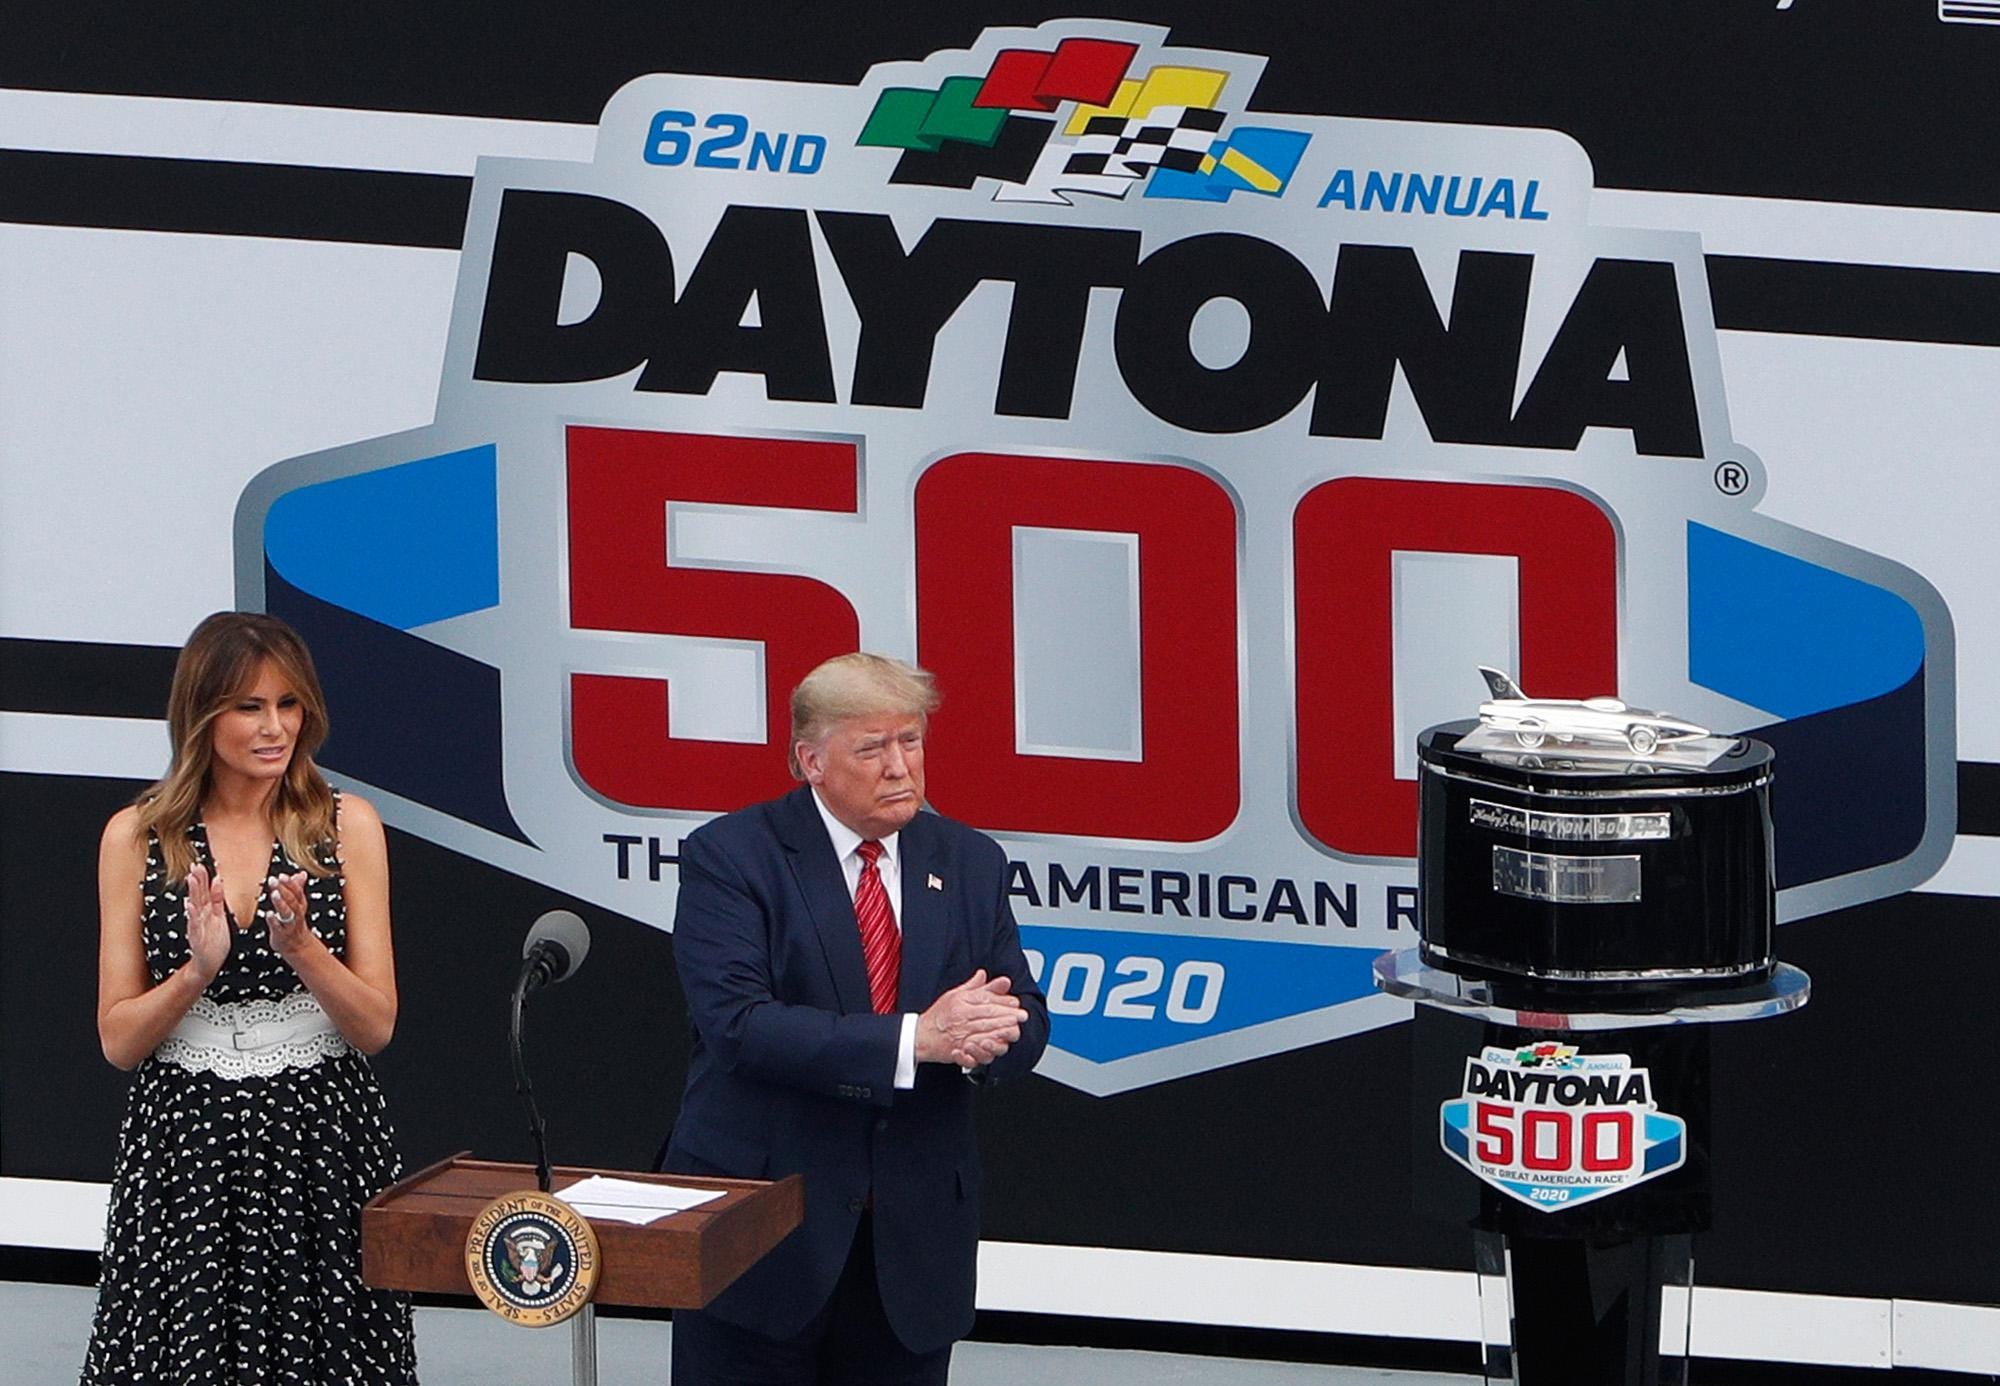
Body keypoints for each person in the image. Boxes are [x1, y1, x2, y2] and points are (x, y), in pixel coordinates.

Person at [664, 652, 1048, 1386]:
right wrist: (918, 1038)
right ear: (811, 760)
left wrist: (988, 1039)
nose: (900, 767)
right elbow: (739, 1026)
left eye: (911, 741)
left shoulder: (970, 860)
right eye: (872, 748)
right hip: (763, 1237)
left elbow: (1022, 1013)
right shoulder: (732, 856)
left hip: (911, 1247)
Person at [81, 611, 418, 1385]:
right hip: (184, 1142)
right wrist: (194, 973)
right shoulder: (135, 837)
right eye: (250, 707)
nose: (276, 728)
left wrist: (303, 950)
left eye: (289, 704)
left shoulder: (347, 826)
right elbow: (119, 1040)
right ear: (201, 715)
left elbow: (376, 1026)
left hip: (321, 1137)